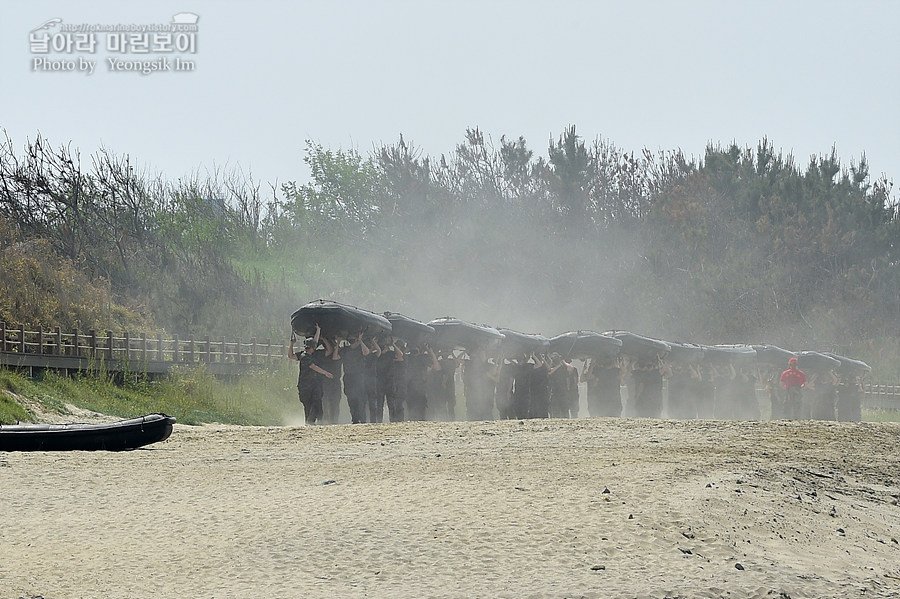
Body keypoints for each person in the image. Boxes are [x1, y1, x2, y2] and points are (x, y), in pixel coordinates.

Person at [288, 325, 334, 425]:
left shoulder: (308, 353)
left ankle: (311, 422)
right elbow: (313, 366)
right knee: (308, 405)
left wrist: (318, 330)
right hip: (306, 386)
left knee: (316, 402)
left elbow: (315, 342)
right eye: (314, 347)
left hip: (313, 384)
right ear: (311, 348)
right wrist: (325, 372)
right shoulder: (304, 356)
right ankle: (309, 422)